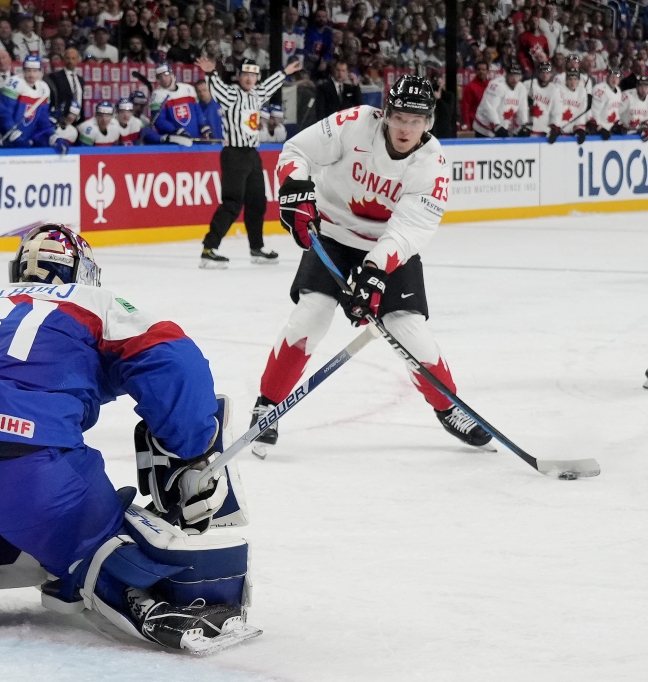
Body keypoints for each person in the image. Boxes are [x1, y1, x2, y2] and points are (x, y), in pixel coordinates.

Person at [0, 225, 256, 652]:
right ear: (83, 272)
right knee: (97, 540)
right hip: (29, 472)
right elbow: (173, 362)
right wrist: (192, 448)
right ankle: (135, 591)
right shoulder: (96, 303)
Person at [252, 76, 493, 460]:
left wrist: (375, 272)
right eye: (399, 117)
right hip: (331, 231)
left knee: (406, 327)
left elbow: (408, 231)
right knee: (312, 313)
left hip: (387, 245)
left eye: (416, 121)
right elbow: (297, 149)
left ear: (428, 122)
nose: (405, 128)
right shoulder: (354, 124)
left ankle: (449, 407)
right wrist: (296, 185)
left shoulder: (433, 166)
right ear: (385, 114)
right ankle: (268, 404)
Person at [195, 57, 302, 269]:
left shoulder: (256, 95)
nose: (249, 79)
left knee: (257, 202)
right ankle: (209, 249)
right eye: (246, 75)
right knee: (233, 203)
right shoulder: (232, 95)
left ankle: (256, 248)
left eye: (253, 75)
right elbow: (217, 89)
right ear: (239, 76)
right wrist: (210, 73)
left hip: (252, 154)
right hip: (234, 154)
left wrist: (284, 71)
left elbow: (269, 85)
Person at [0, 54, 54, 148]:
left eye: (35, 71)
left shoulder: (44, 88)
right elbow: (4, 113)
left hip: (24, 136)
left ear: (40, 72)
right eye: (28, 71)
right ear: (23, 70)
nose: (32, 75)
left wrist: (52, 135)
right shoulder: (14, 83)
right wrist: (14, 134)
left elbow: (42, 117)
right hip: (4, 135)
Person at [149, 63, 208, 146]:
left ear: (172, 74)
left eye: (166, 74)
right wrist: (175, 130)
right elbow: (159, 121)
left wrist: (203, 126)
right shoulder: (157, 96)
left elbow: (197, 111)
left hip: (196, 140)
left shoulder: (188, 89)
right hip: (175, 144)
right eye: (160, 76)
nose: (163, 79)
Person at [473, 61, 529, 138]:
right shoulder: (496, 86)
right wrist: (496, 125)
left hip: (502, 125)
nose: (515, 79)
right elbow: (489, 107)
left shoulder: (521, 88)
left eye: (517, 76)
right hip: (484, 128)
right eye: (512, 76)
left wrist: (523, 125)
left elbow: (523, 108)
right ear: (506, 75)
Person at [547, 67, 589, 144]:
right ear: (566, 80)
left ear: (579, 81)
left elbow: (580, 113)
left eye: (575, 79)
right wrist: (554, 127)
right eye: (570, 79)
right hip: (555, 132)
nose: (572, 82)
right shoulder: (558, 90)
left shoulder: (581, 92)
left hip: (570, 135)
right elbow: (554, 110)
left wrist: (580, 129)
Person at [45, 46, 85, 119]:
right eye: (68, 58)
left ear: (78, 60)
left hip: (78, 119)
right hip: (63, 119)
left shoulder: (80, 80)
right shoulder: (56, 77)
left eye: (73, 58)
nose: (70, 61)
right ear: (63, 59)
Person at [589, 67, 624, 139]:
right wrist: (599, 128)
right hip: (600, 128)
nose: (614, 80)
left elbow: (615, 110)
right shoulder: (600, 89)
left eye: (616, 78)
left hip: (611, 128)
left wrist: (617, 123)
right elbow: (594, 111)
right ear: (607, 78)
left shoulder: (618, 90)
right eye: (612, 77)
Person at [527, 62, 561, 136]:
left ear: (551, 74)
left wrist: (554, 127)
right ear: (538, 73)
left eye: (547, 73)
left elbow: (556, 111)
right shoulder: (527, 85)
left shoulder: (555, 90)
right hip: (527, 130)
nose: (545, 75)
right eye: (543, 72)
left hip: (543, 132)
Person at [460, 60, 490, 131]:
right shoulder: (470, 87)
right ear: (476, 71)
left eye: (483, 69)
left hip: (489, 123)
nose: (481, 71)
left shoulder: (491, 86)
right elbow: (465, 108)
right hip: (475, 124)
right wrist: (467, 125)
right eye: (479, 69)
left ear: (487, 71)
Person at [621, 74, 648, 140]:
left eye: (646, 86)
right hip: (622, 131)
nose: (643, 89)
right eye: (641, 86)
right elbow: (615, 112)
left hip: (637, 132)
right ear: (637, 87)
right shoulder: (627, 96)